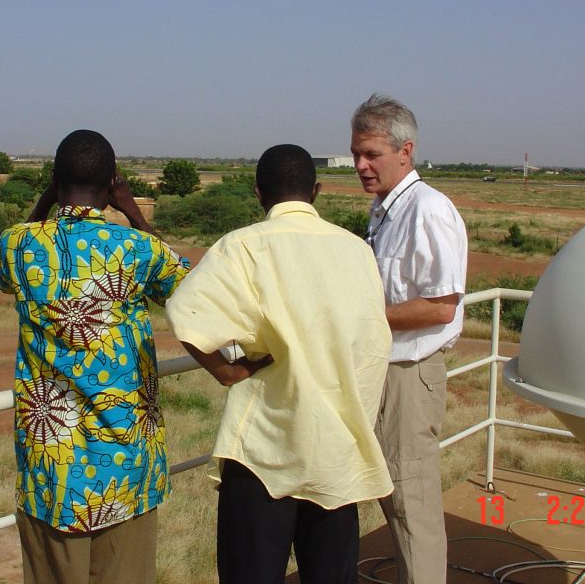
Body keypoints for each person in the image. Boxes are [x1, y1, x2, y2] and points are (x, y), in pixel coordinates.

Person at [166, 144, 394, 584]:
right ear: (316, 191)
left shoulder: (243, 247)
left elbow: (185, 313)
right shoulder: (356, 251)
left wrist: (225, 369)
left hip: (264, 451)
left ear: (258, 193)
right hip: (337, 454)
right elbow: (370, 343)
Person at [0, 129, 190, 584]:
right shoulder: (139, 249)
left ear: (55, 182)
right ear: (111, 183)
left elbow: (1, 275)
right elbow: (188, 288)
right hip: (128, 466)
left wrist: (46, 203)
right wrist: (133, 209)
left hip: (52, 473)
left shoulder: (19, 244)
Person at [350, 94, 468, 584]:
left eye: (372, 154)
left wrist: (363, 318)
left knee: (411, 500)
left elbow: (443, 305)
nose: (361, 165)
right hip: (386, 371)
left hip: (410, 374)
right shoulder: (385, 211)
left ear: (406, 151)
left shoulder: (428, 210)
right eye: (357, 153)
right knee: (394, 498)